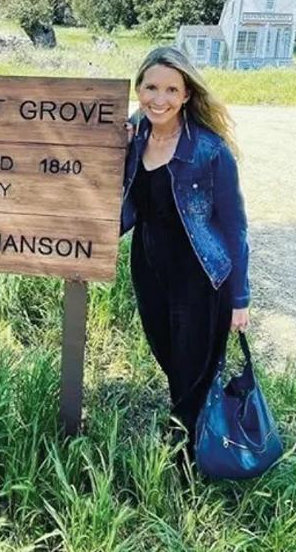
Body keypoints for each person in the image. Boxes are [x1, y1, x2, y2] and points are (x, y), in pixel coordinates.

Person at [122, 46, 251, 449]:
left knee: (193, 369)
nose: (159, 99)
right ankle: (189, 436)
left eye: (171, 90)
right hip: (148, 268)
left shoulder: (210, 150)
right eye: (151, 87)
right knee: (170, 358)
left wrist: (240, 297)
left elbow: (235, 226)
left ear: (186, 95)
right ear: (139, 88)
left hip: (199, 276)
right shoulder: (133, 134)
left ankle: (188, 457)